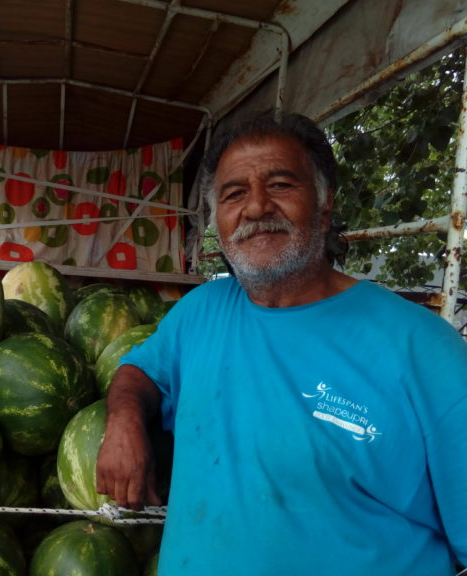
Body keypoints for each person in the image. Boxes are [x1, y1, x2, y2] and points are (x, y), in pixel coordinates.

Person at [95, 110, 467, 575]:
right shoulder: (201, 311)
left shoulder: (425, 348)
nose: (255, 208)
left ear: (325, 203)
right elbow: (140, 371)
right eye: (234, 194)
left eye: (280, 185)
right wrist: (124, 420)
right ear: (218, 220)